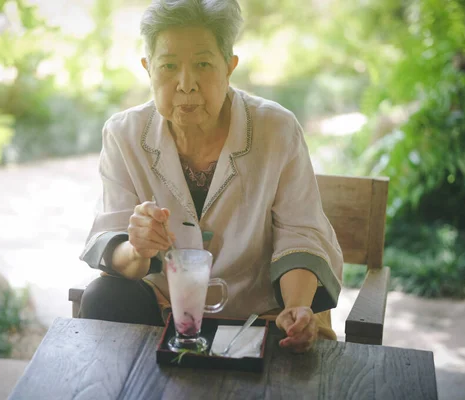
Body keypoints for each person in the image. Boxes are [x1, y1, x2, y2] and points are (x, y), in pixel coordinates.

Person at [79, 0, 343, 354]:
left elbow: (301, 231)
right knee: (104, 295)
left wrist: (297, 306)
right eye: (169, 66)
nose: (186, 85)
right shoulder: (124, 134)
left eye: (203, 64)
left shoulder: (276, 129)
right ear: (148, 68)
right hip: (164, 312)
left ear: (229, 67)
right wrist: (137, 247)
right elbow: (116, 244)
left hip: (259, 317)